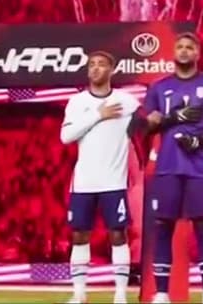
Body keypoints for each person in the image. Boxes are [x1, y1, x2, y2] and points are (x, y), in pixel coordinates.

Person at [138, 31, 203, 304]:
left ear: (197, 53)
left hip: (200, 169)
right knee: (163, 227)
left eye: (189, 47)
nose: (183, 50)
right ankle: (162, 294)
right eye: (179, 46)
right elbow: (146, 126)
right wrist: (171, 118)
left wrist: (200, 140)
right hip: (167, 167)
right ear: (174, 52)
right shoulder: (159, 87)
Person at [59, 51, 140, 304]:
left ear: (112, 70)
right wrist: (98, 114)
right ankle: (79, 293)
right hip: (84, 183)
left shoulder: (127, 101)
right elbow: (66, 136)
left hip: (114, 182)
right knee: (79, 236)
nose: (95, 69)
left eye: (101, 64)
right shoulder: (77, 102)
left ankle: (120, 294)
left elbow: (146, 123)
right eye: (91, 65)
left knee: (118, 235)